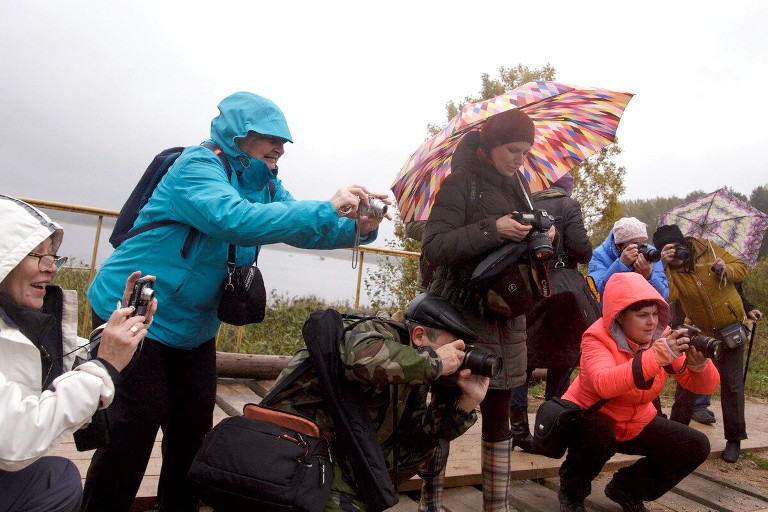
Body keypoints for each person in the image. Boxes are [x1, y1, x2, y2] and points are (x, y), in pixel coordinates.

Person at [82, 92, 389, 512]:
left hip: (194, 324)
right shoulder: (196, 166)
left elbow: (302, 227)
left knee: (192, 428)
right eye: (269, 139)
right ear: (238, 135)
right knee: (135, 426)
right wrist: (328, 205)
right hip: (135, 309)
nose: (279, 149)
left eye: (284, 143)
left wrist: (359, 228)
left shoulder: (265, 182)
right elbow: (234, 219)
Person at [422, 108, 553, 511]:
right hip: (459, 315)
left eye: (526, 152)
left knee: (499, 416)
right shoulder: (460, 183)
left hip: (508, 316)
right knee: (446, 408)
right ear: (491, 145)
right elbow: (435, 247)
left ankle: (497, 506)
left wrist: (544, 233)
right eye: (513, 150)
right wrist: (492, 229)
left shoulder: (523, 187)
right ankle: (430, 501)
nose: (519, 159)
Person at [0, 195, 155, 512]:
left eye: (53, 257)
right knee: (56, 481)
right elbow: (15, 442)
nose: (52, 268)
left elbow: (58, 365)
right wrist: (106, 364)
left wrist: (116, 335)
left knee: (56, 476)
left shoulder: (13, 319)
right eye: (37, 256)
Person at [266, 293, 490, 512]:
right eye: (451, 346)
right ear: (419, 335)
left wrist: (467, 402)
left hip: (337, 454)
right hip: (290, 447)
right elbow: (361, 360)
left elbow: (419, 439)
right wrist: (435, 362)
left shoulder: (418, 365)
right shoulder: (377, 330)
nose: (456, 356)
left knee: (422, 450)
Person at [557, 272, 719, 512]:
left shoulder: (660, 338)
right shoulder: (596, 337)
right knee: (596, 434)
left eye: (655, 314)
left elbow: (703, 387)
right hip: (590, 419)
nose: (652, 322)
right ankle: (572, 492)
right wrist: (656, 356)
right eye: (642, 315)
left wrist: (698, 367)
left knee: (695, 445)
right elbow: (604, 383)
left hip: (634, 422)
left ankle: (627, 487)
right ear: (620, 316)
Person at [508, 172, 593, 452]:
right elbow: (582, 251)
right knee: (562, 361)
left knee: (523, 360)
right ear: (567, 186)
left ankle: (518, 431)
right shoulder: (569, 205)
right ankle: (550, 431)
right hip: (563, 293)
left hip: (530, 289)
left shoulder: (524, 204)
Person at [653, 225, 749, 463]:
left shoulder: (708, 249)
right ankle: (675, 433)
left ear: (683, 243)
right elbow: (668, 296)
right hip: (701, 332)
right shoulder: (670, 270)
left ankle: (734, 440)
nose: (675, 256)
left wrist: (726, 269)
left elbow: (742, 268)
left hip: (731, 327)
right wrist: (663, 265)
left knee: (732, 385)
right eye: (668, 252)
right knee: (687, 383)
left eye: (675, 249)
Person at [685, 283, 762, 426]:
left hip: (728, 326)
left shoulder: (732, 266)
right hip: (702, 321)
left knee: (722, 371)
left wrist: (749, 308)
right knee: (703, 362)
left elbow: (734, 291)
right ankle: (697, 406)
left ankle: (701, 405)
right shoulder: (705, 264)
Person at [589, 217, 669, 300]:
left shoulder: (650, 253)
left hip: (644, 309)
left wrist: (649, 276)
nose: (642, 248)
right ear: (619, 245)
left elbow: (664, 296)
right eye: (635, 244)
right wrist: (621, 265)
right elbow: (596, 295)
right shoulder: (599, 255)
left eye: (644, 242)